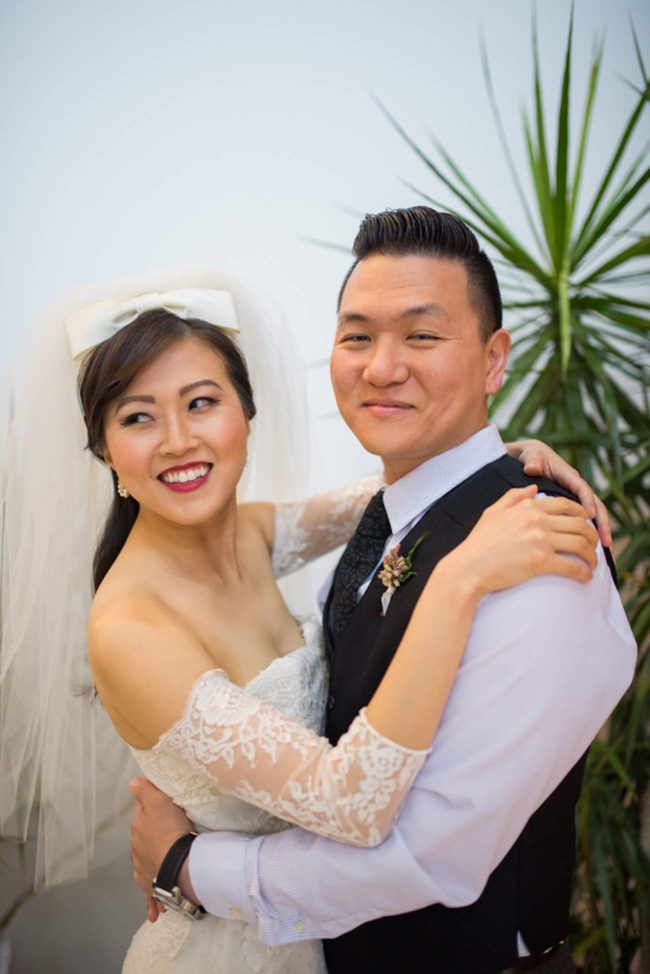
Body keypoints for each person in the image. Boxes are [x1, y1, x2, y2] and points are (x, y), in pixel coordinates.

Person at [129, 211, 637, 974]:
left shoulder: (545, 554)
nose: (381, 367)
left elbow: (426, 854)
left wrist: (188, 867)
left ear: (495, 359)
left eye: (422, 337)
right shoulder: (383, 515)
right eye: (357, 336)